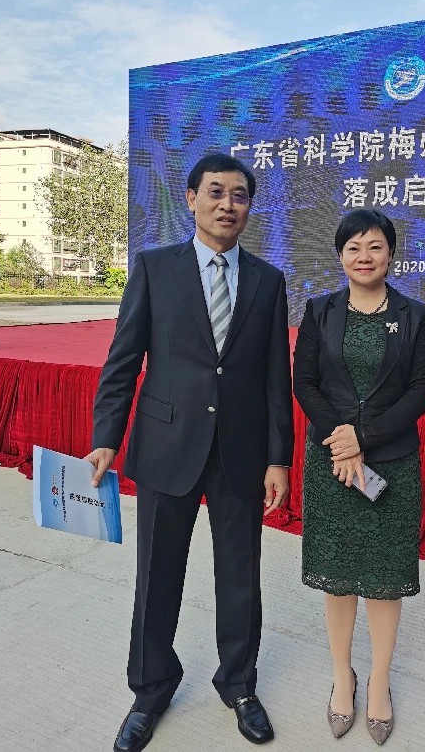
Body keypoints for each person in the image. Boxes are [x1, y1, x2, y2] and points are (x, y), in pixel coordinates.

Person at [86, 153, 294, 752]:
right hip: (166, 446)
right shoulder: (155, 269)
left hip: (240, 452)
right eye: (216, 192)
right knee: (157, 578)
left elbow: (274, 377)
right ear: (191, 199)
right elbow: (124, 360)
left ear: (249, 207)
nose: (228, 205)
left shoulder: (268, 281)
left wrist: (278, 457)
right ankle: (150, 689)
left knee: (240, 577)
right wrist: (106, 437)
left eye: (239, 195)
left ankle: (239, 685)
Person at [293, 208, 425, 745]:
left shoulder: (416, 316)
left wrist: (364, 438)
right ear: (340, 255)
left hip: (391, 465)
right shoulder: (319, 311)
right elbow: (304, 381)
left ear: (391, 254)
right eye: (353, 247)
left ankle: (378, 680)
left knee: (382, 575)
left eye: (375, 246)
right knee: (337, 574)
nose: (364, 256)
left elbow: (422, 391)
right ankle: (342, 676)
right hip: (332, 463)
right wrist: (341, 439)